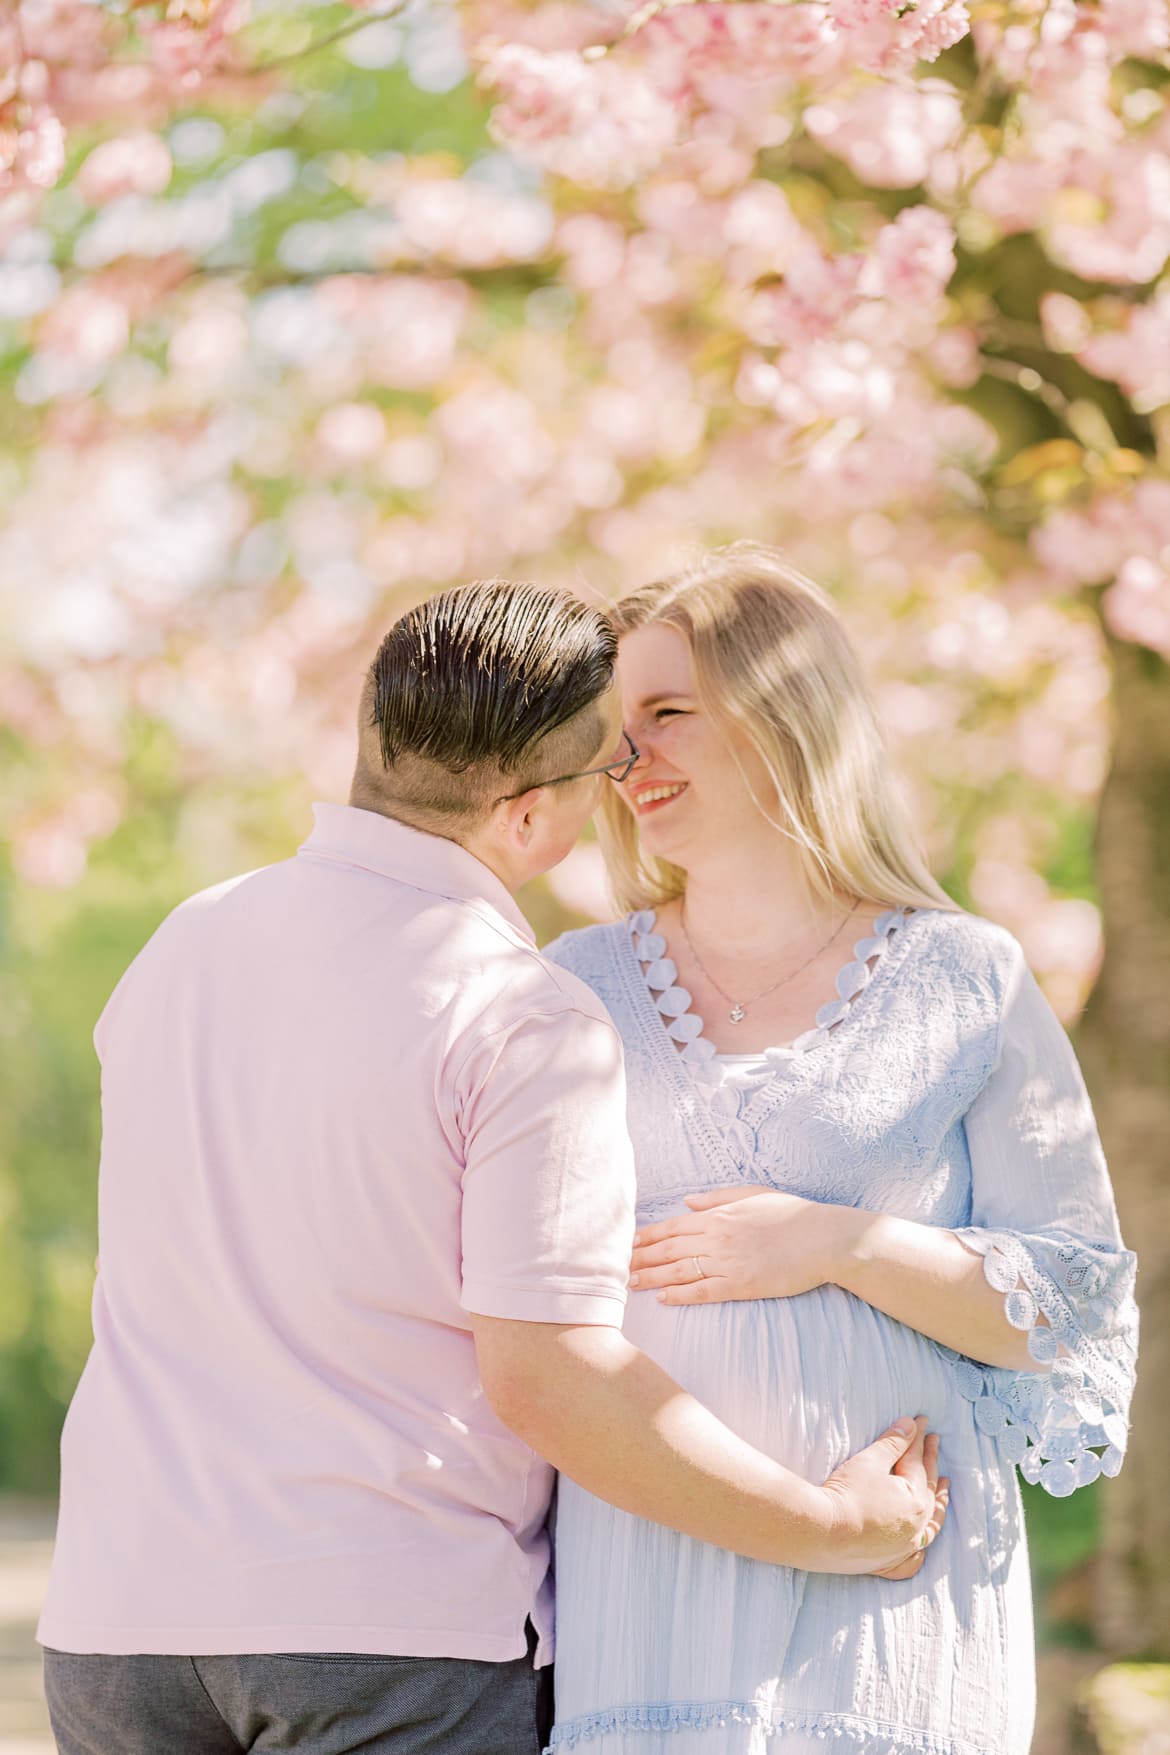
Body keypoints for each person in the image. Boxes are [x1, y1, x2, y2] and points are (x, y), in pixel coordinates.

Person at [38, 579, 947, 1755]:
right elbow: (551, 1378)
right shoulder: (522, 1018)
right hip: (387, 1644)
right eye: (608, 768)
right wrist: (834, 1525)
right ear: (528, 818)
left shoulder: (184, 945)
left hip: (121, 1626)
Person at [543, 544, 1139, 1755]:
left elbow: (1066, 1310)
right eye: (617, 726)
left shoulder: (965, 975)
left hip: (897, 1602)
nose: (628, 755)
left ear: (784, 717)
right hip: (649, 1587)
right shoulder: (572, 988)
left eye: (668, 714)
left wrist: (835, 1243)